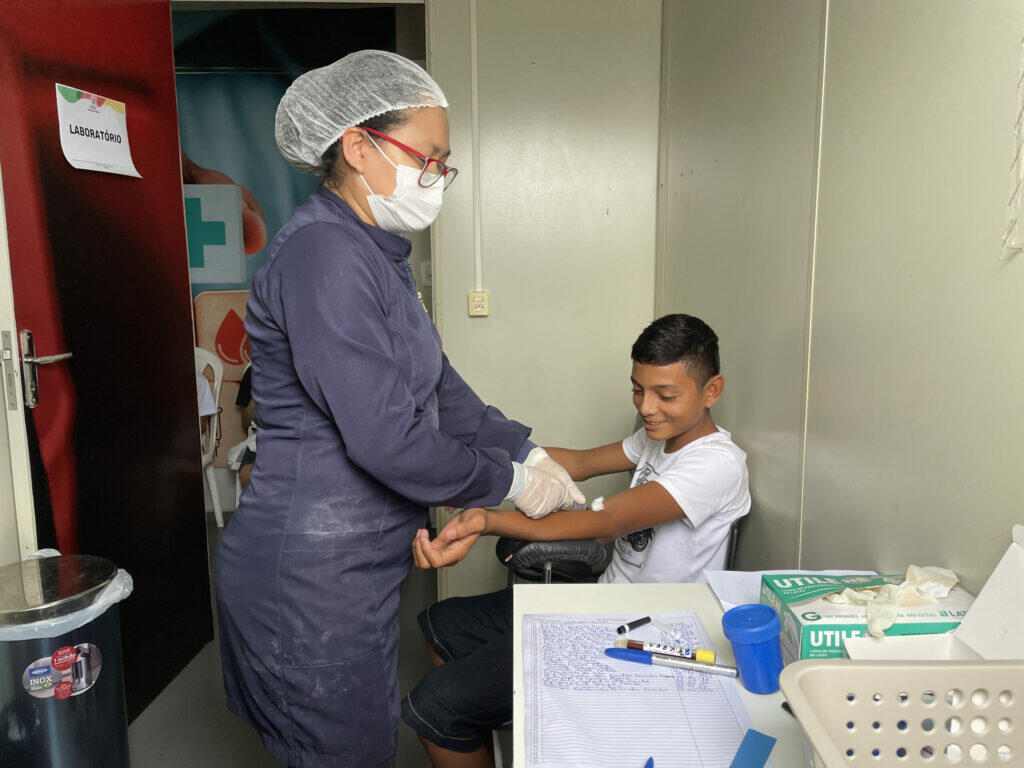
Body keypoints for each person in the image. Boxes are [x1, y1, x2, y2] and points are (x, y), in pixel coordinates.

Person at [214, 50, 585, 768]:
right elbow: (387, 437)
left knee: (359, 741)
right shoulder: (322, 255)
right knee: (342, 753)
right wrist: (508, 484)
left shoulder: (373, 253)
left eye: (444, 163)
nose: (436, 176)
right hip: (310, 576)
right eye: (428, 157)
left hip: (355, 567)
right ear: (358, 146)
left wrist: (526, 451)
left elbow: (439, 387)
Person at [403, 314, 751, 768]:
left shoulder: (716, 464)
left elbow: (603, 524)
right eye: (638, 390)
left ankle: (462, 713)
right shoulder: (658, 438)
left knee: (431, 708)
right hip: (604, 604)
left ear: (712, 391)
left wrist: (489, 518)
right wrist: (488, 470)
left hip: (647, 635)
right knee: (442, 624)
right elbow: (581, 463)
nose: (647, 407)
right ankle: (483, 718)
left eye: (665, 395)